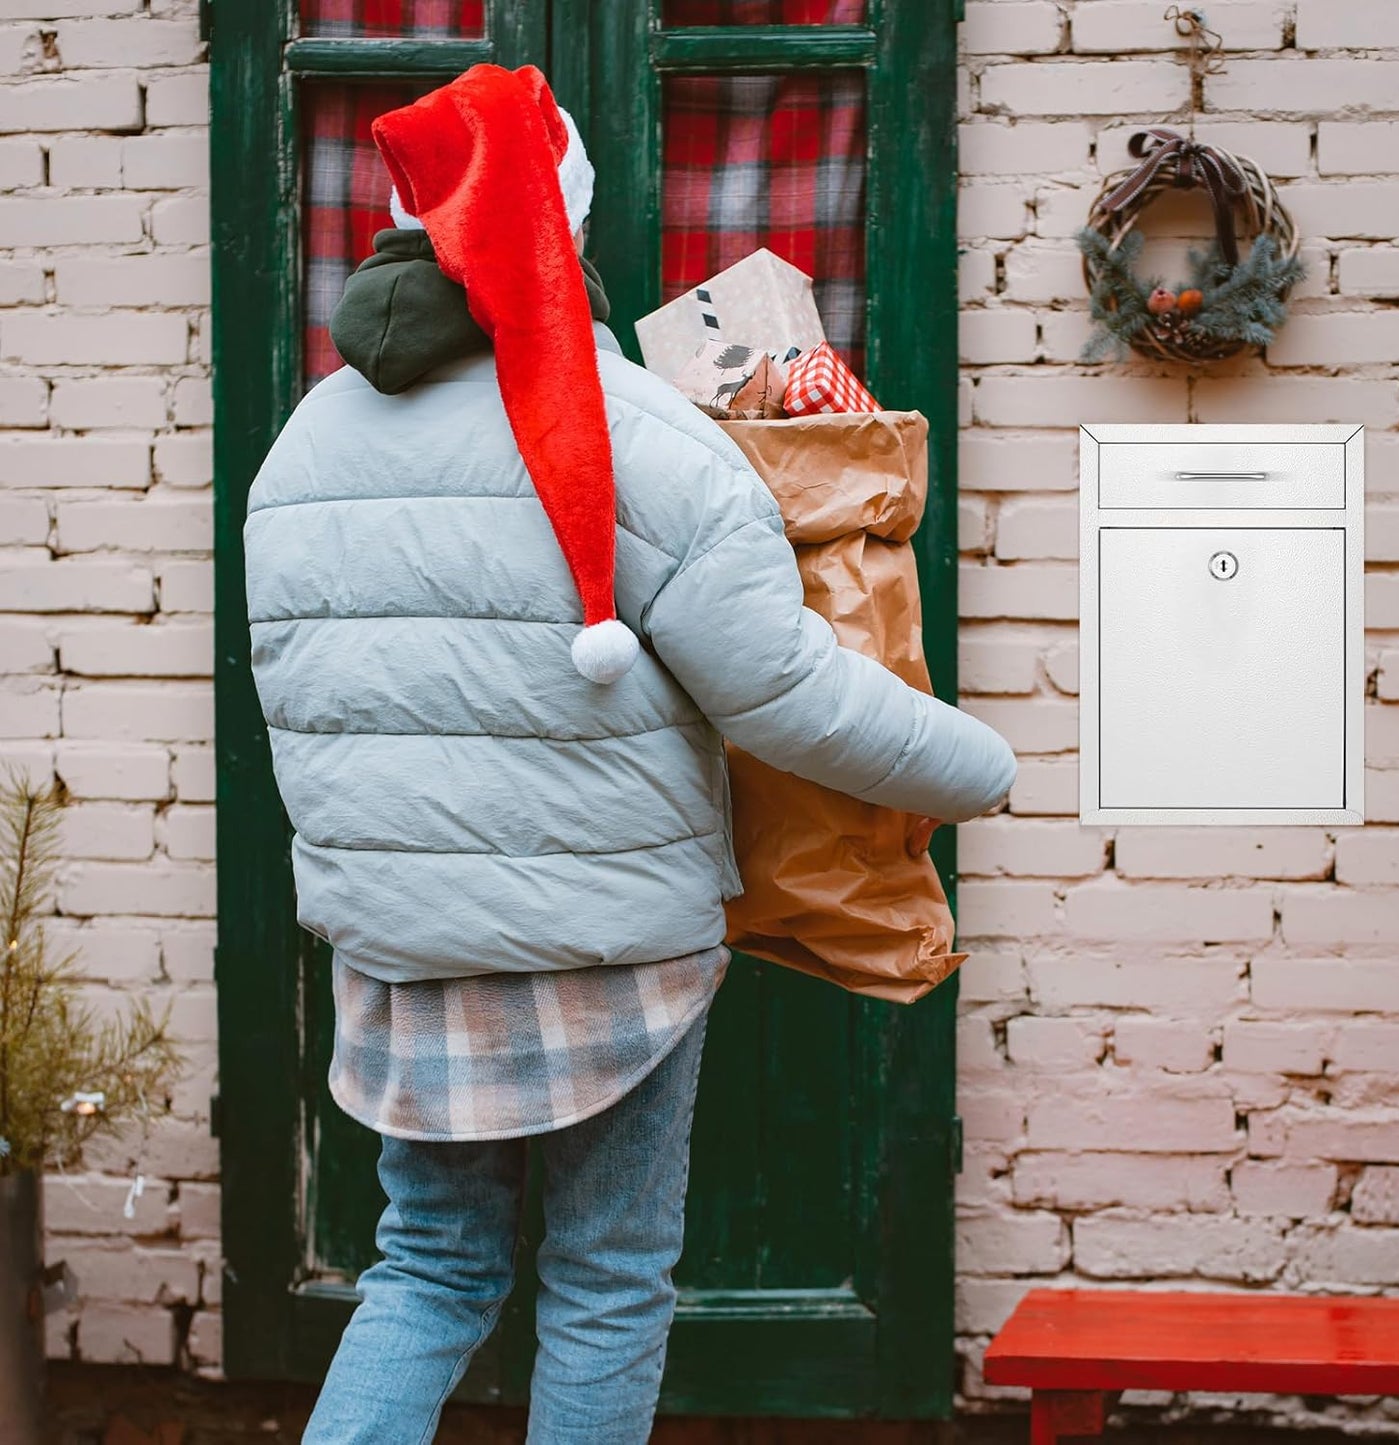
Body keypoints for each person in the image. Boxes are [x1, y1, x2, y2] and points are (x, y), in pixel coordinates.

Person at [244, 62, 1017, 1445]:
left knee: (424, 1266)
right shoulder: (641, 432)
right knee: (605, 1282)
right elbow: (778, 690)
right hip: (608, 943)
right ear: (567, 220)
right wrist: (977, 766)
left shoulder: (306, 438)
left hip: (402, 942)